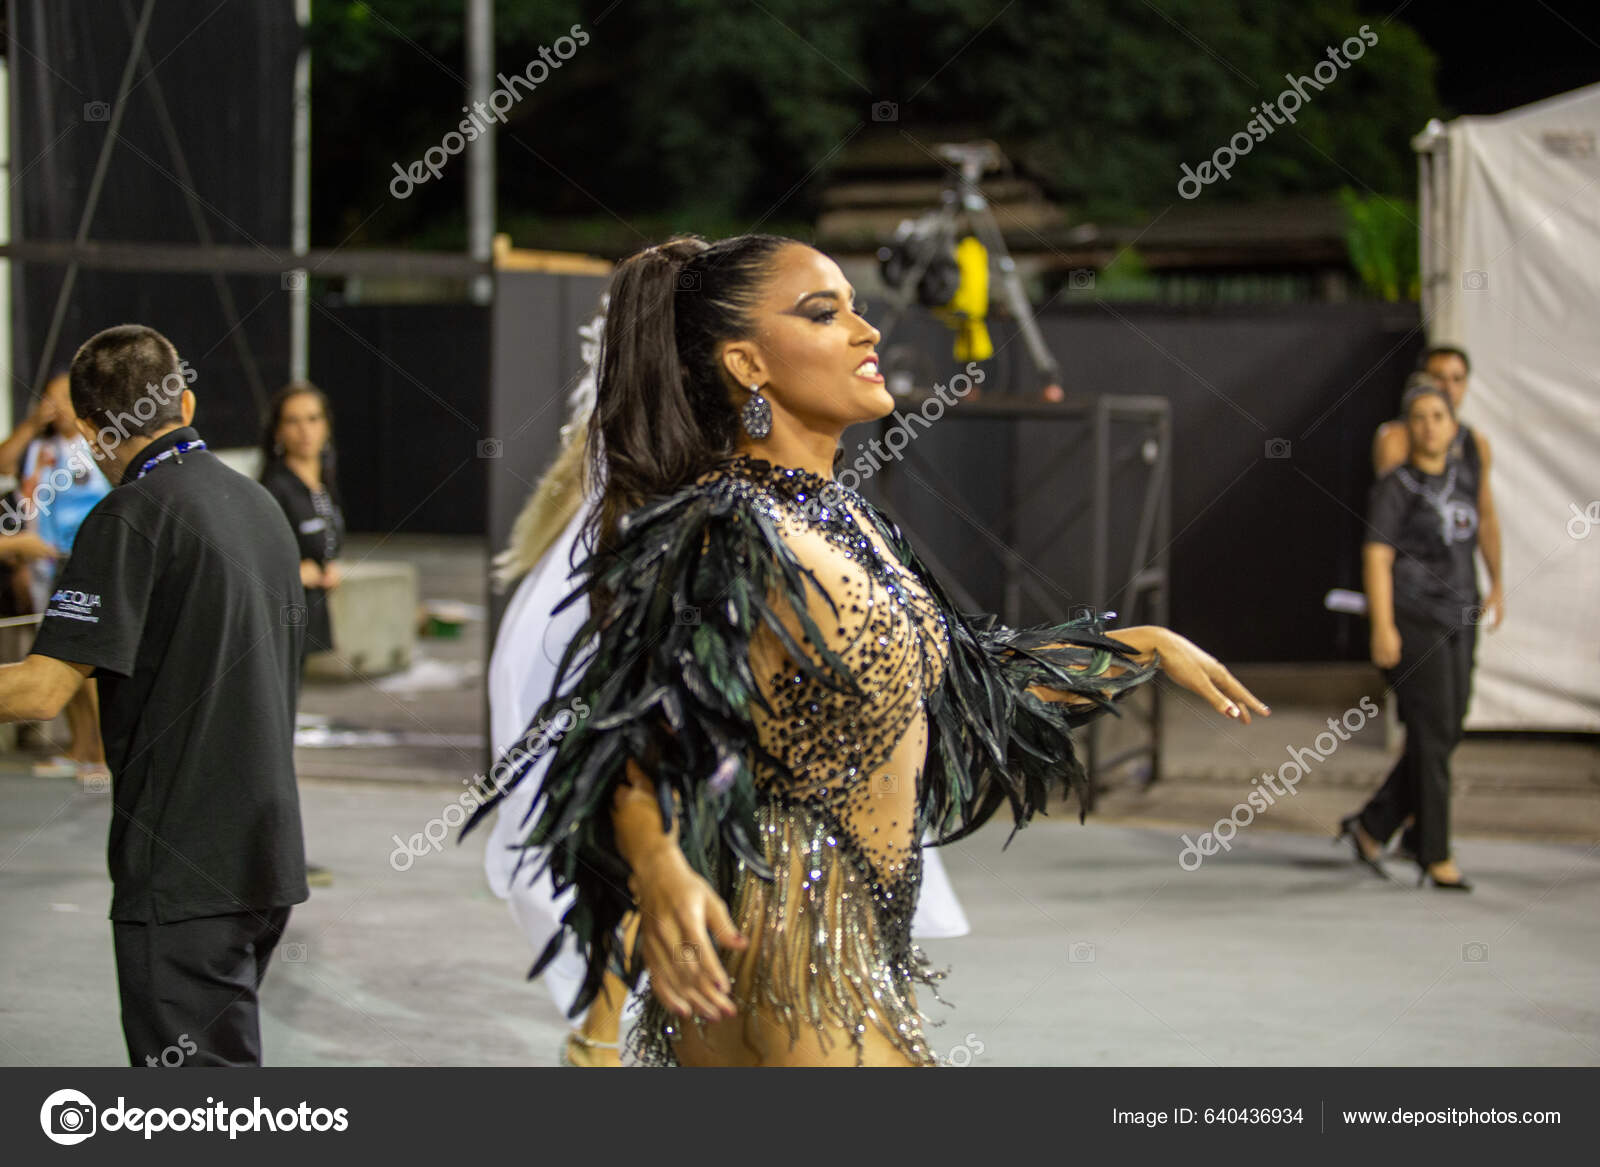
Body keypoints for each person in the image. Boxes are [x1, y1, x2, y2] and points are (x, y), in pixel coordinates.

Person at [466, 235, 1268, 1067]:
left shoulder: (845, 523)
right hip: (789, 953)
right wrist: (659, 863)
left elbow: (972, 692)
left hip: (848, 945)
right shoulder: (731, 529)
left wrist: (1134, 645)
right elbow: (630, 729)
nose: (865, 330)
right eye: (823, 312)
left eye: (854, 304)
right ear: (747, 364)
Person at [0, 324, 309, 1065]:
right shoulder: (260, 506)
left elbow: (43, 689)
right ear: (185, 398)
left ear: (90, 430)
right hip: (263, 856)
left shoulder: (132, 515)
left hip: (182, 869)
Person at [1342, 377, 1483, 891]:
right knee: (1432, 732)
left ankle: (1373, 824)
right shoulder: (1396, 487)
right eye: (1418, 418)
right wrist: (1383, 626)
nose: (1429, 427)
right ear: (1407, 427)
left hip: (1461, 614)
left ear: (1453, 424)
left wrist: (1498, 584)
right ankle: (1434, 852)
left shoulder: (1466, 473)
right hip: (1413, 615)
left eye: (1438, 417)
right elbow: (1377, 557)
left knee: (1449, 730)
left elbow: (1479, 529)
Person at [0, 372, 111, 783]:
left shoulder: (97, 446)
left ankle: (100, 752)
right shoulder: (39, 446)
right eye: (48, 398)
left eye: (63, 398)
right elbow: (3, 464)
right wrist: (32, 422)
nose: (56, 406)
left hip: (79, 564)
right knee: (54, 657)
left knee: (84, 669)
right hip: (44, 567)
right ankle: (78, 747)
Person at [1372, 344, 1502, 629]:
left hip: (1457, 592)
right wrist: (1383, 622)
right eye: (1439, 378)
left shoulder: (1474, 444)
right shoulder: (1397, 438)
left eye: (1457, 379)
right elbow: (1383, 531)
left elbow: (1486, 517)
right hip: (1413, 597)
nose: (1449, 387)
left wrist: (1497, 583)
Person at [259, 382, 345, 658]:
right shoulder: (273, 488)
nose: (305, 431)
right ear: (279, 431)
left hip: (312, 614)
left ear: (326, 426)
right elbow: (254, 555)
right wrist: (290, 571)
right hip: (279, 618)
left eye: (313, 419)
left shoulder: (323, 483)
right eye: (293, 421)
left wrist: (328, 566)